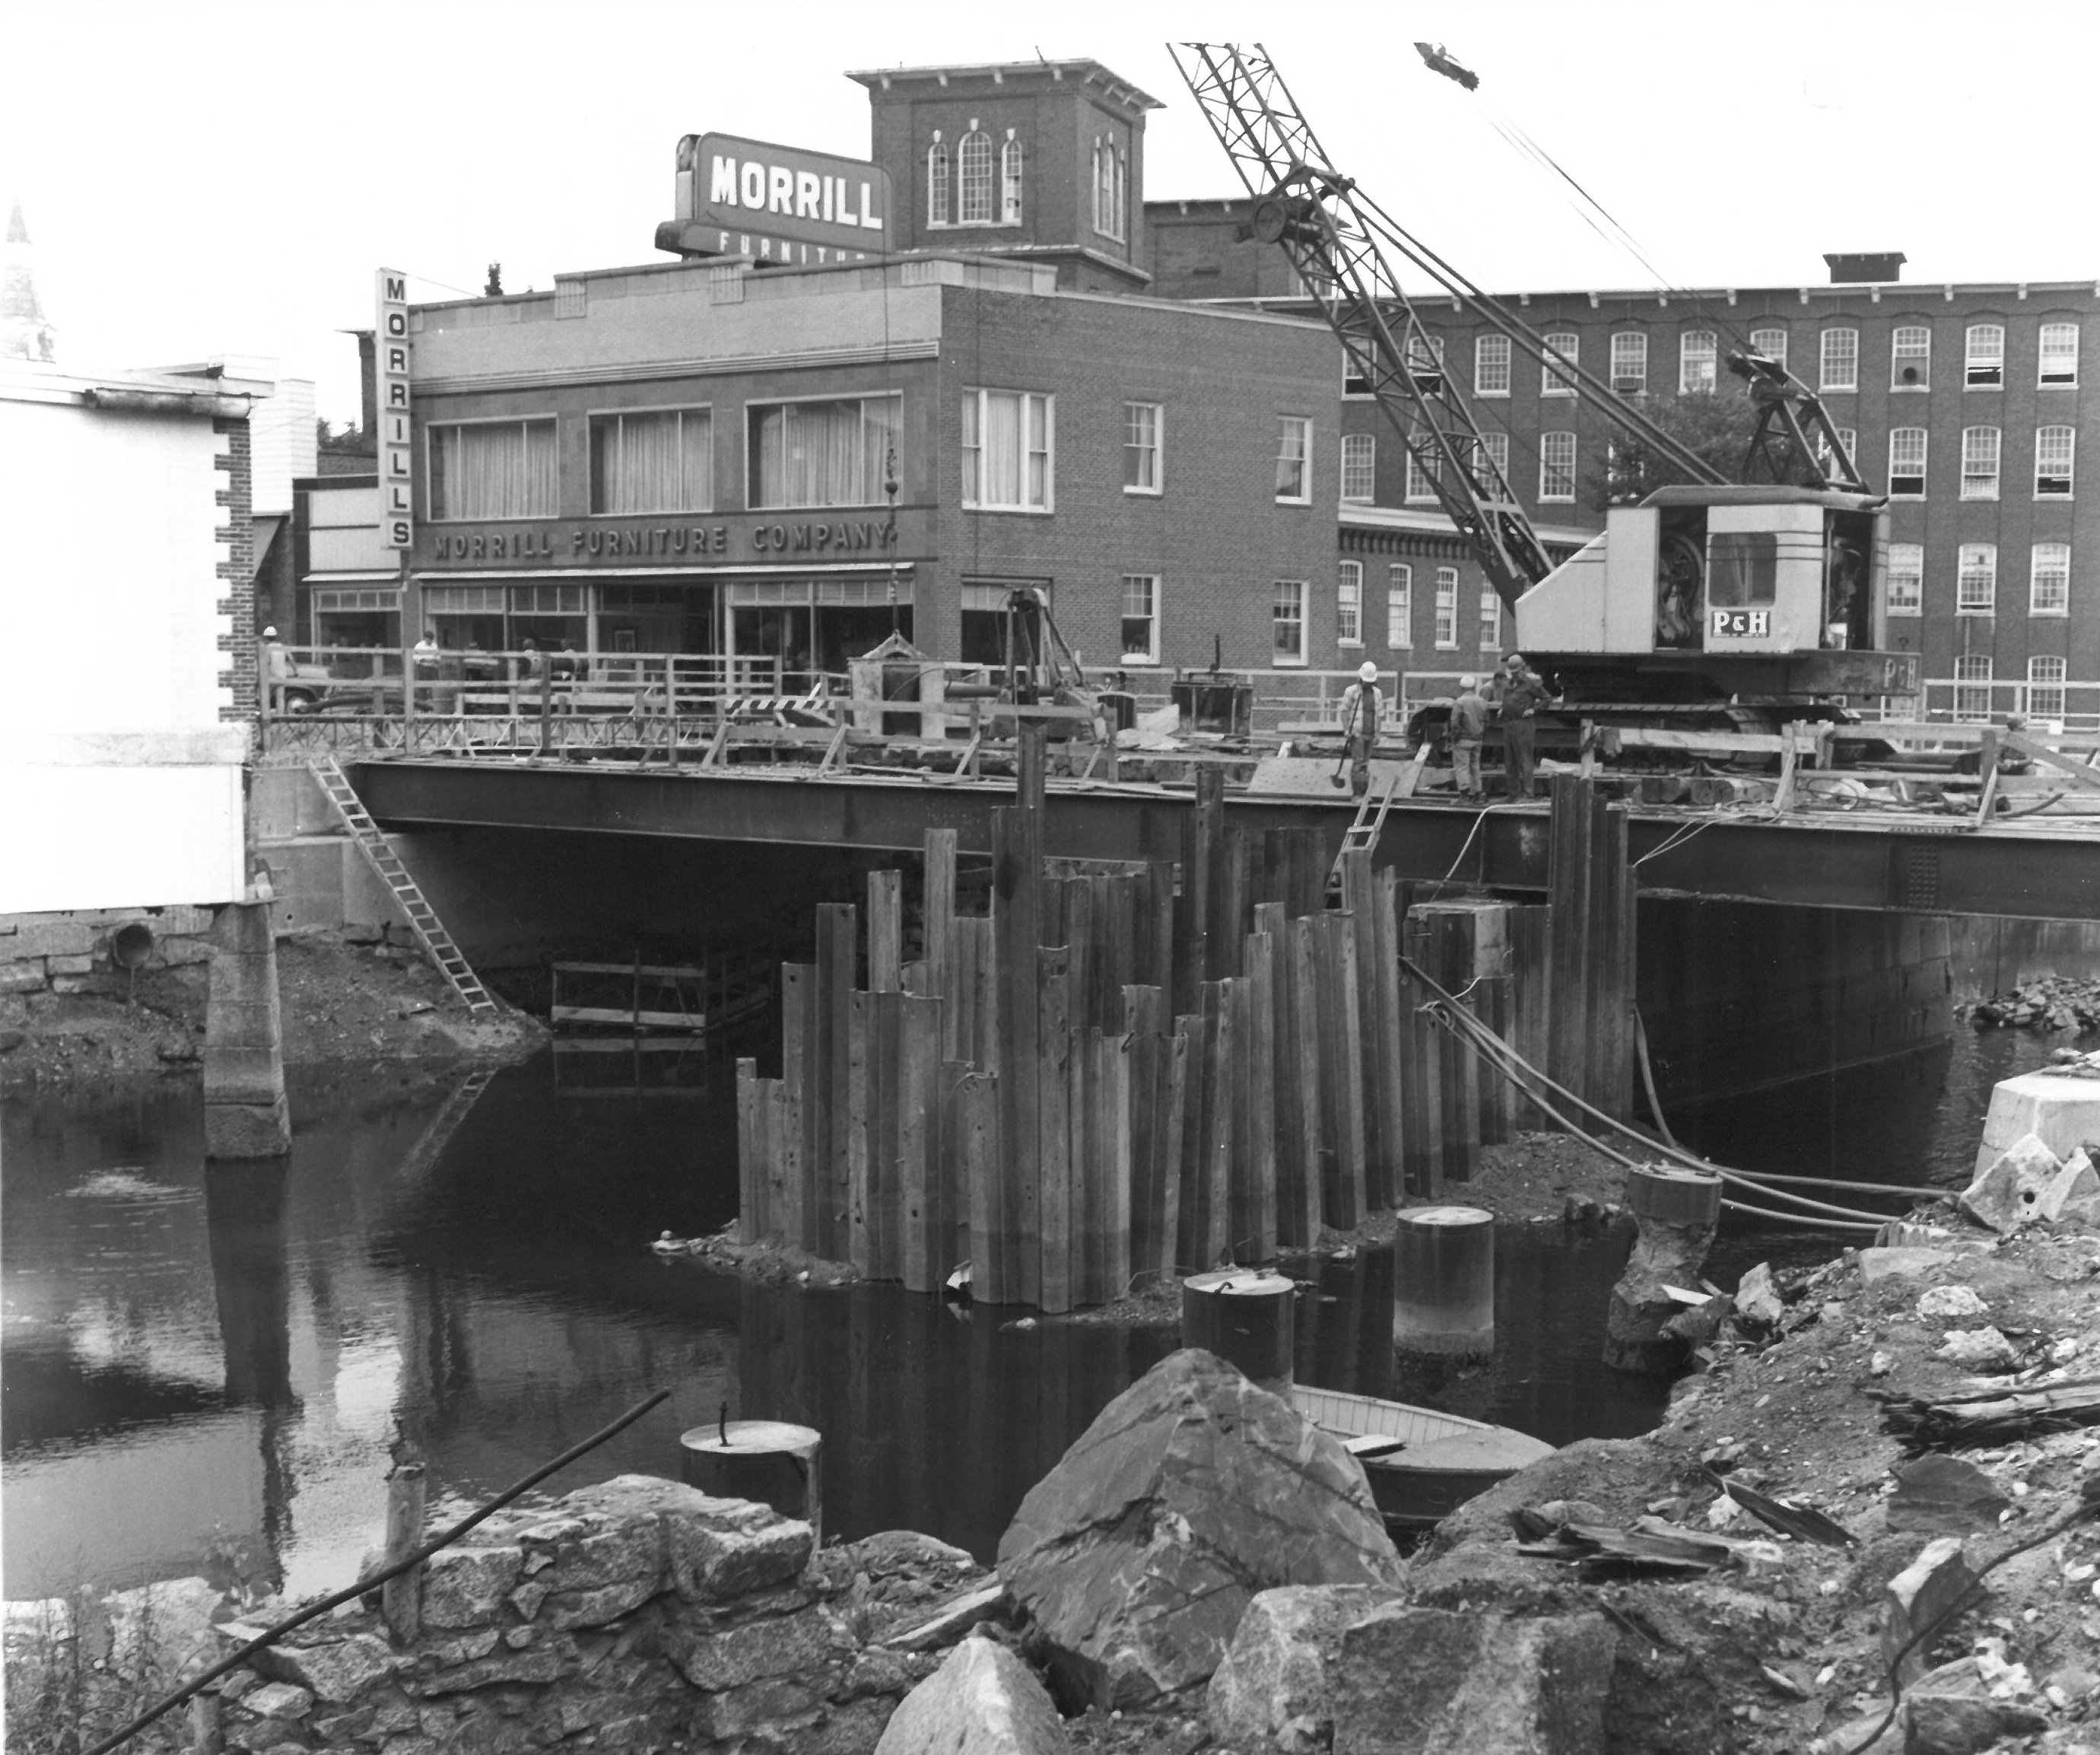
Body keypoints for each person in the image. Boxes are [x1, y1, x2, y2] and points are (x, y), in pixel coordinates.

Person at [1495, 653, 1552, 800]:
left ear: (1523, 669)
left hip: (1523, 725)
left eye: (1517, 671)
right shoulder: (1508, 684)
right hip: (1508, 724)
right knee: (1510, 761)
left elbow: (1546, 699)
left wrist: (1534, 709)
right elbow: (1507, 700)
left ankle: (1528, 794)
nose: (1514, 674)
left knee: (1525, 760)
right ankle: (1513, 794)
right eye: (1512, 672)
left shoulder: (1531, 683)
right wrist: (1503, 708)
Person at [1337, 660, 1383, 798]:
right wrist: (1346, 729)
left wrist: (1378, 733)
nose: (1367, 684)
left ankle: (1364, 793)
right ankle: (1357, 794)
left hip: (1370, 733)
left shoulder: (1377, 693)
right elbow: (1344, 711)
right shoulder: (1351, 691)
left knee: (1365, 764)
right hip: (1357, 733)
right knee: (1358, 762)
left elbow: (1379, 714)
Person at [1450, 674, 1488, 803]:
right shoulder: (1482, 701)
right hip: (1478, 739)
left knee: (1462, 767)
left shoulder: (1460, 702)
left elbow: (1455, 723)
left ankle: (1464, 795)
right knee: (1475, 766)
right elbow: (1486, 720)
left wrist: (1455, 738)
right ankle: (1478, 794)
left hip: (1463, 740)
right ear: (1473, 687)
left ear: (1462, 687)